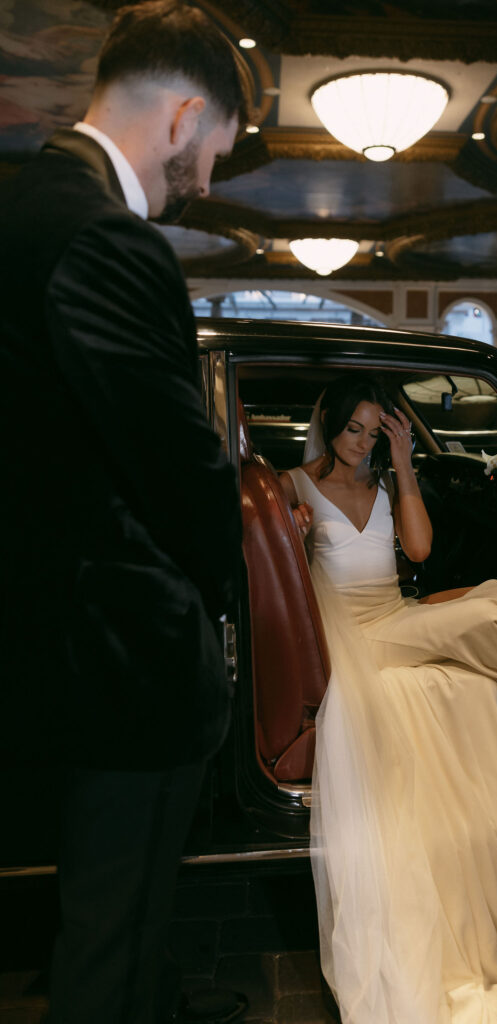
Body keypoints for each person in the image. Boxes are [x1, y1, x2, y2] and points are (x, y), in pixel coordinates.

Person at [0, 3, 247, 1022]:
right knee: (113, 922)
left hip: (57, 641)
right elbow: (179, 471)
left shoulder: (28, 205)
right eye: (217, 152)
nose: (212, 179)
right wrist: (225, 596)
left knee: (107, 920)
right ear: (184, 115)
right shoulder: (106, 236)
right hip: (121, 654)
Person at [280, 374, 497, 1024]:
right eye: (353, 428)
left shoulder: (384, 484)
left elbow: (420, 550)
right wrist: (294, 535)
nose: (360, 443)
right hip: (348, 638)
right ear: (331, 424)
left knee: (481, 647)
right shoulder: (294, 487)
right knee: (495, 605)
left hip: (393, 618)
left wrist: (405, 467)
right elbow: (289, 583)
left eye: (373, 432)